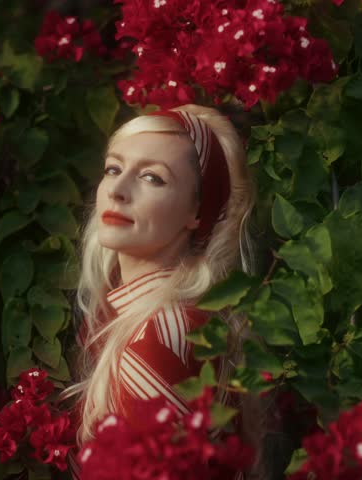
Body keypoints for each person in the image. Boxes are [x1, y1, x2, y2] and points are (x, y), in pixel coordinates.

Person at [64, 104, 272, 478]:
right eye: (113, 168)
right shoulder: (181, 316)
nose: (118, 190)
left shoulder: (155, 335)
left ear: (197, 211)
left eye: (152, 178)